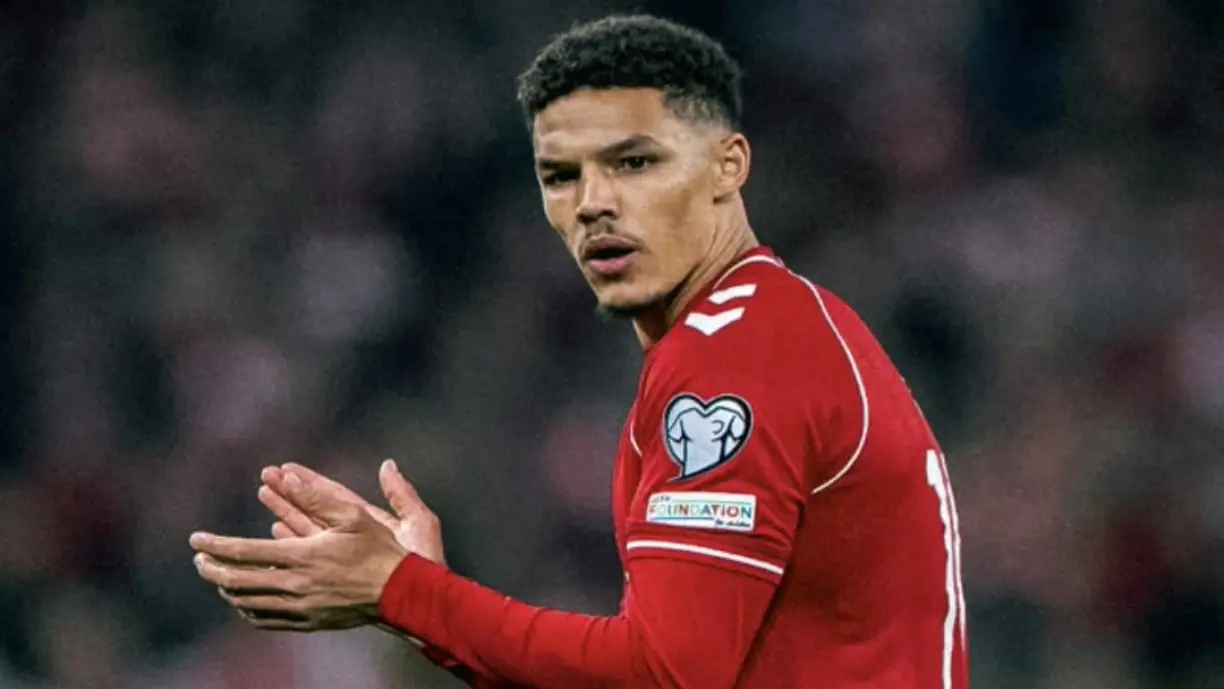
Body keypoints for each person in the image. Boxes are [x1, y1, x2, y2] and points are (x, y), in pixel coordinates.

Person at [190, 13, 969, 688]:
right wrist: (419, 595)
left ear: (726, 167)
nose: (594, 203)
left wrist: (404, 591)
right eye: (561, 175)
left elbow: (663, 674)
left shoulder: (738, 357)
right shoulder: (768, 328)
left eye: (634, 162)